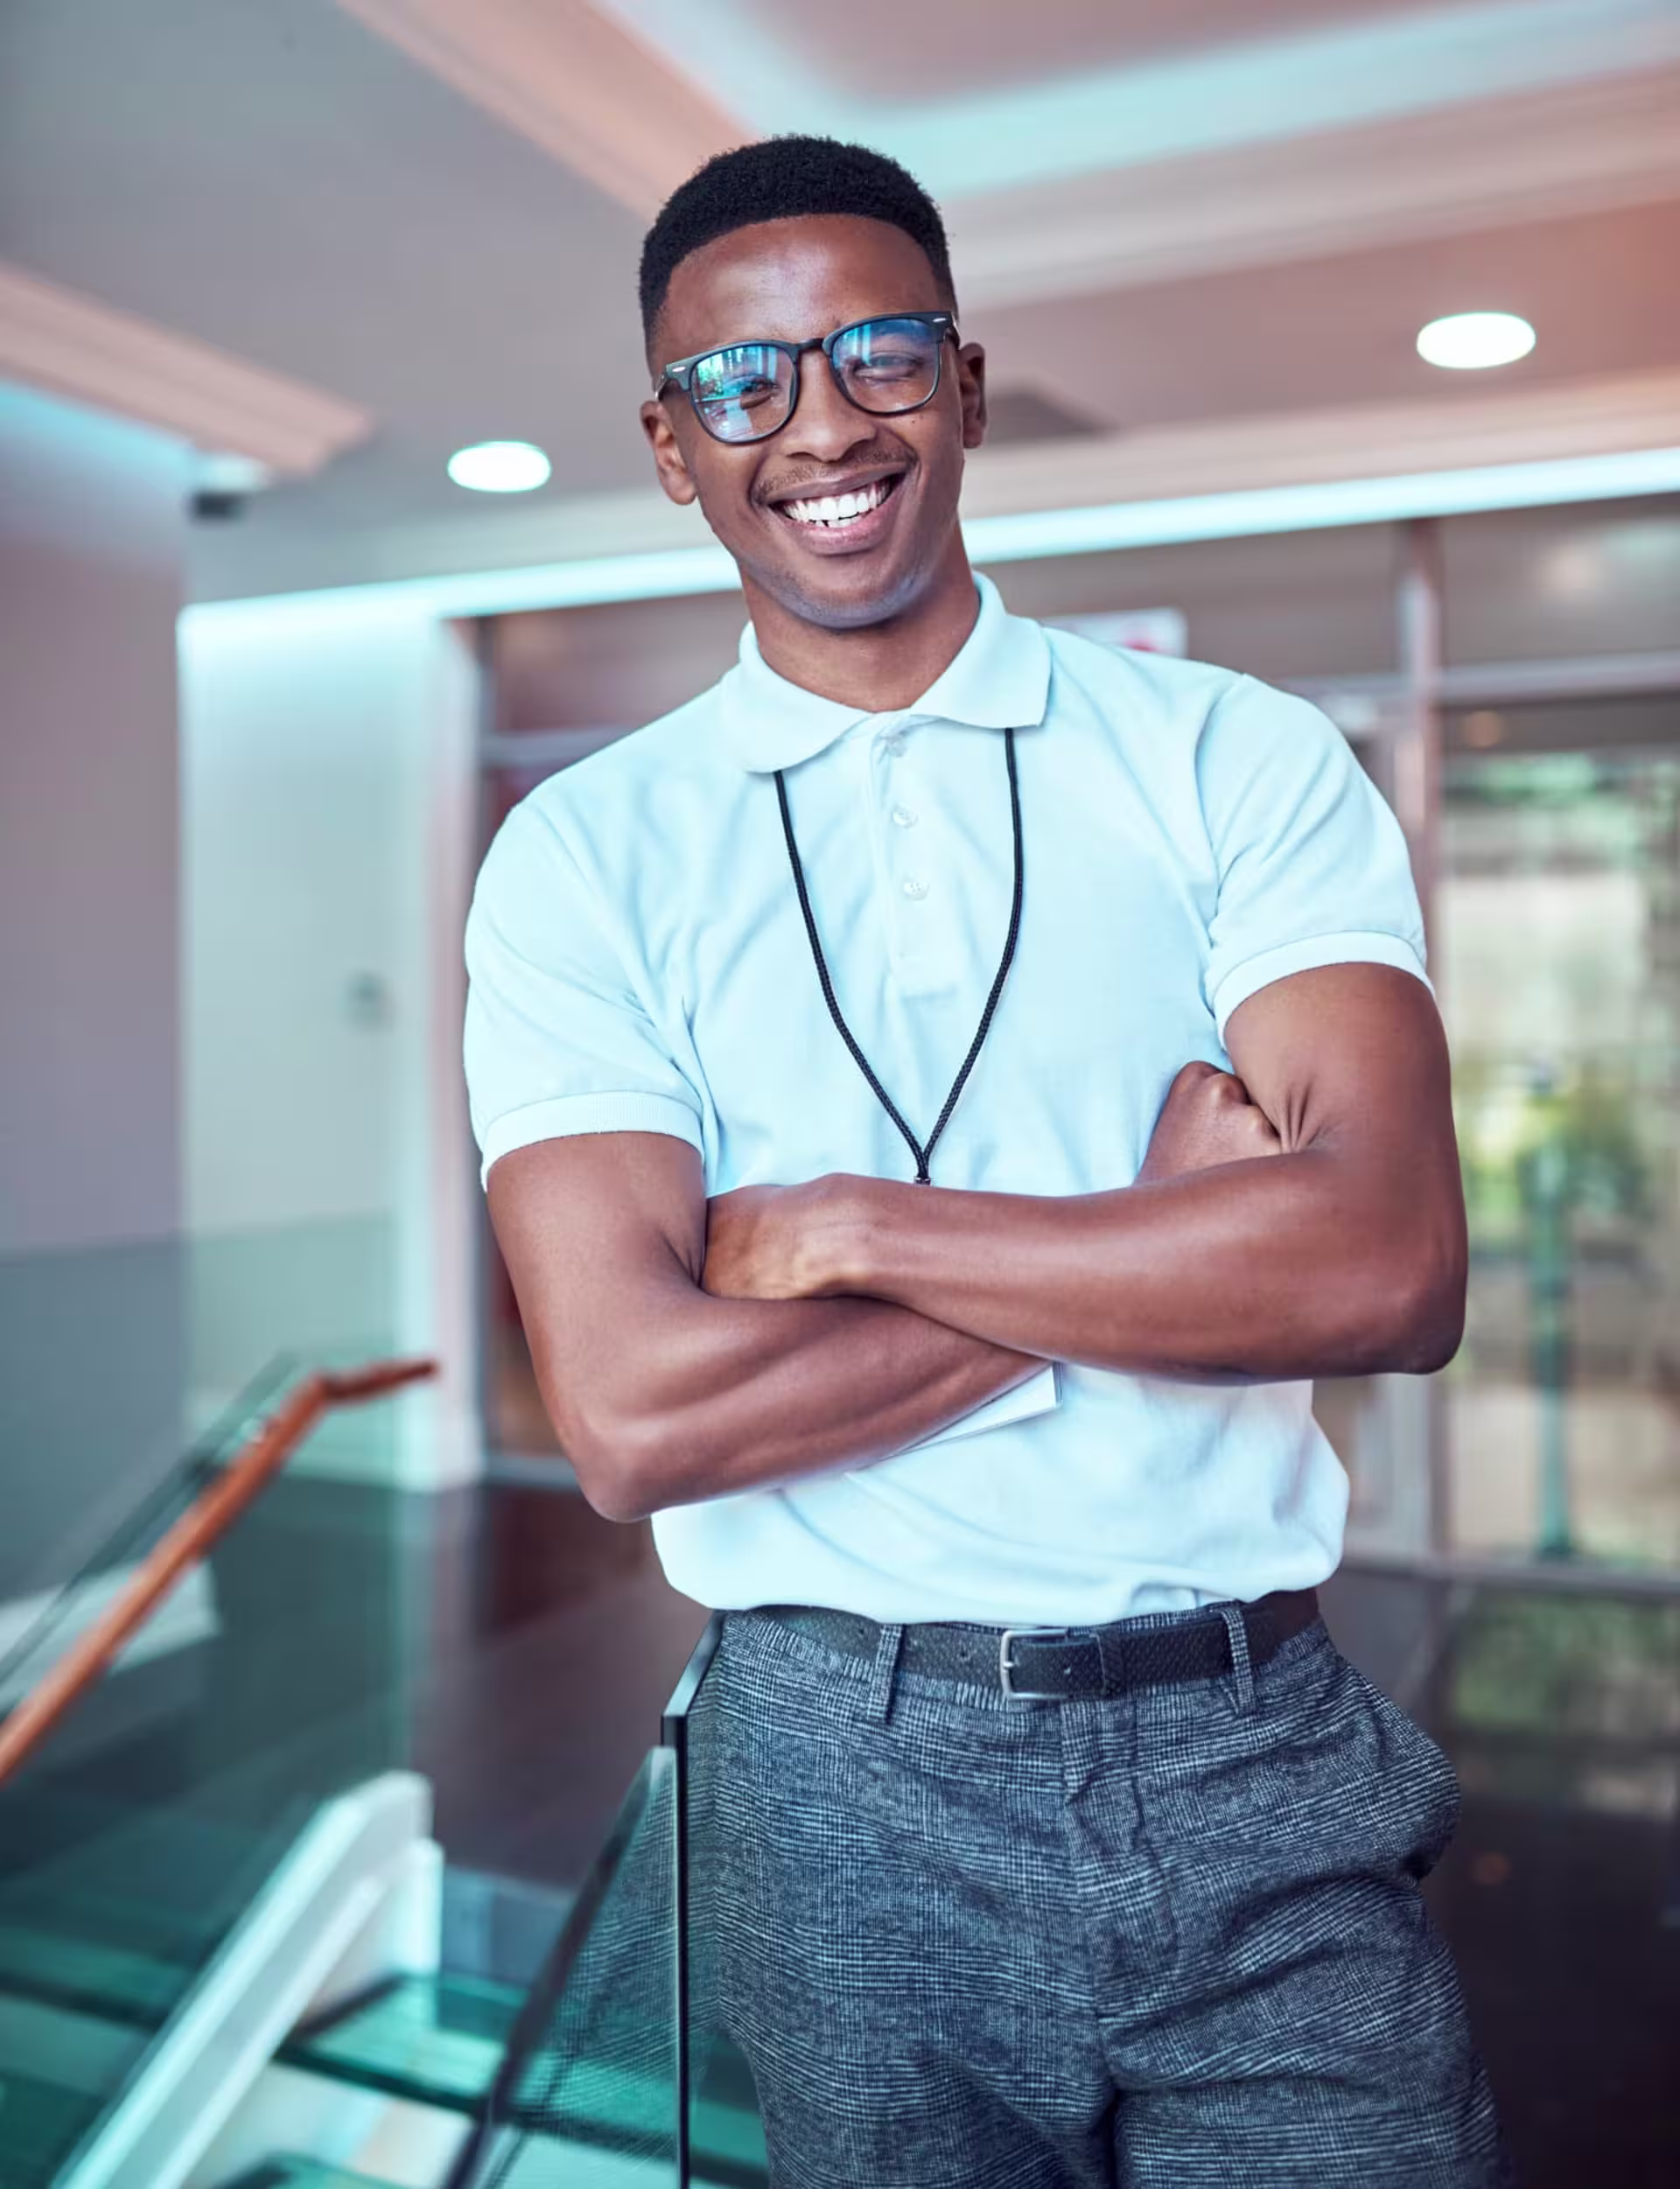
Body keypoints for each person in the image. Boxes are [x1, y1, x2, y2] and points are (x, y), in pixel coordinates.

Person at [465, 136, 1507, 2188]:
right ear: (673, 448)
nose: (822, 426)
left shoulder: (1234, 757)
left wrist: (849, 1233)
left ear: (967, 380)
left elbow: (1387, 1269)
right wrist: (1162, 1243)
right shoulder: (587, 856)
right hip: (835, 1776)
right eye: (742, 385)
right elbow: (635, 1415)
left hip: (1256, 1743)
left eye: (878, 355)